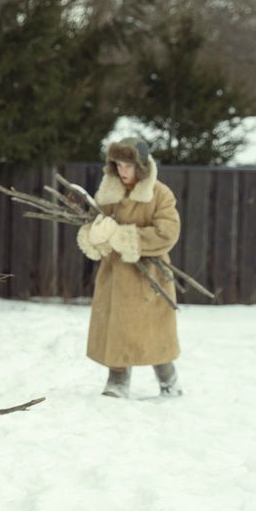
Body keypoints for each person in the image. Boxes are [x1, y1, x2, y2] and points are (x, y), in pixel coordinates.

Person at [76, 138, 183, 398]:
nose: (123, 171)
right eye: (118, 164)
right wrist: (96, 234)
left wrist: (123, 237)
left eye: (128, 165)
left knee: (154, 333)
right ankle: (117, 381)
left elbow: (167, 233)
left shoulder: (160, 194)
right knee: (118, 327)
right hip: (115, 274)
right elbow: (95, 222)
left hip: (150, 277)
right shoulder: (109, 194)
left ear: (142, 167)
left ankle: (168, 380)